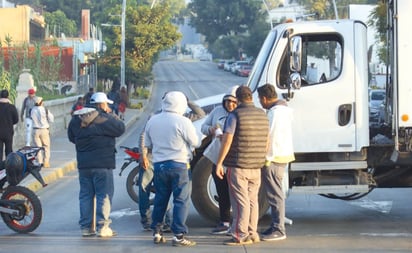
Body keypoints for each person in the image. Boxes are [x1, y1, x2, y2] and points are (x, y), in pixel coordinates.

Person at [138, 95, 205, 233]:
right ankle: (178, 233)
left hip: (159, 164)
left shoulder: (153, 119)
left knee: (160, 198)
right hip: (179, 165)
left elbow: (147, 140)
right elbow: (196, 142)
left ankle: (157, 230)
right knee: (180, 200)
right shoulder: (183, 120)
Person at [215, 86, 269, 246]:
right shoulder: (262, 114)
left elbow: (227, 140)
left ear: (238, 99)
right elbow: (267, 140)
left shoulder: (235, 115)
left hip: (238, 165)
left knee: (240, 201)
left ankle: (239, 234)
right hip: (256, 165)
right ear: (251, 97)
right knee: (253, 200)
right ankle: (253, 232)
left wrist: (219, 162)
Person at [68, 92, 125, 238]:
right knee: (103, 195)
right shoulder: (105, 119)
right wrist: (110, 113)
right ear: (102, 105)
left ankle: (86, 228)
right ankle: (102, 227)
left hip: (84, 165)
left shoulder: (76, 119)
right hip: (102, 164)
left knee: (86, 195)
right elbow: (120, 128)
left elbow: (71, 137)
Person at [257, 83, 295, 241]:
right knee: (276, 193)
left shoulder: (274, 113)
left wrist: (263, 157)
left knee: (274, 194)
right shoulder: (286, 110)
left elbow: (268, 136)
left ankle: (279, 229)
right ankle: (275, 226)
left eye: (260, 99)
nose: (260, 103)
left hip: (273, 156)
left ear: (264, 98)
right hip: (284, 154)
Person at [201, 85, 238, 235]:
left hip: (235, 158)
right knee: (221, 191)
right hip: (217, 157)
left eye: (233, 102)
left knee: (236, 192)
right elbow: (204, 126)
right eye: (227, 101)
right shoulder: (217, 112)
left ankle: (239, 223)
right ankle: (224, 221)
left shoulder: (239, 114)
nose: (230, 105)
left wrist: (229, 137)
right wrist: (211, 130)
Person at [30, 96, 54, 168]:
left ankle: (39, 162)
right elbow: (51, 119)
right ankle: (46, 162)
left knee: (38, 147)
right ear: (41, 102)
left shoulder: (32, 110)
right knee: (46, 146)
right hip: (44, 130)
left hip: (35, 130)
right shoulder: (45, 110)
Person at [0, 89, 19, 161]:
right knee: (9, 150)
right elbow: (16, 119)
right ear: (8, 96)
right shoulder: (11, 107)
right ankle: (9, 167)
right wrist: (10, 123)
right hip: (8, 132)